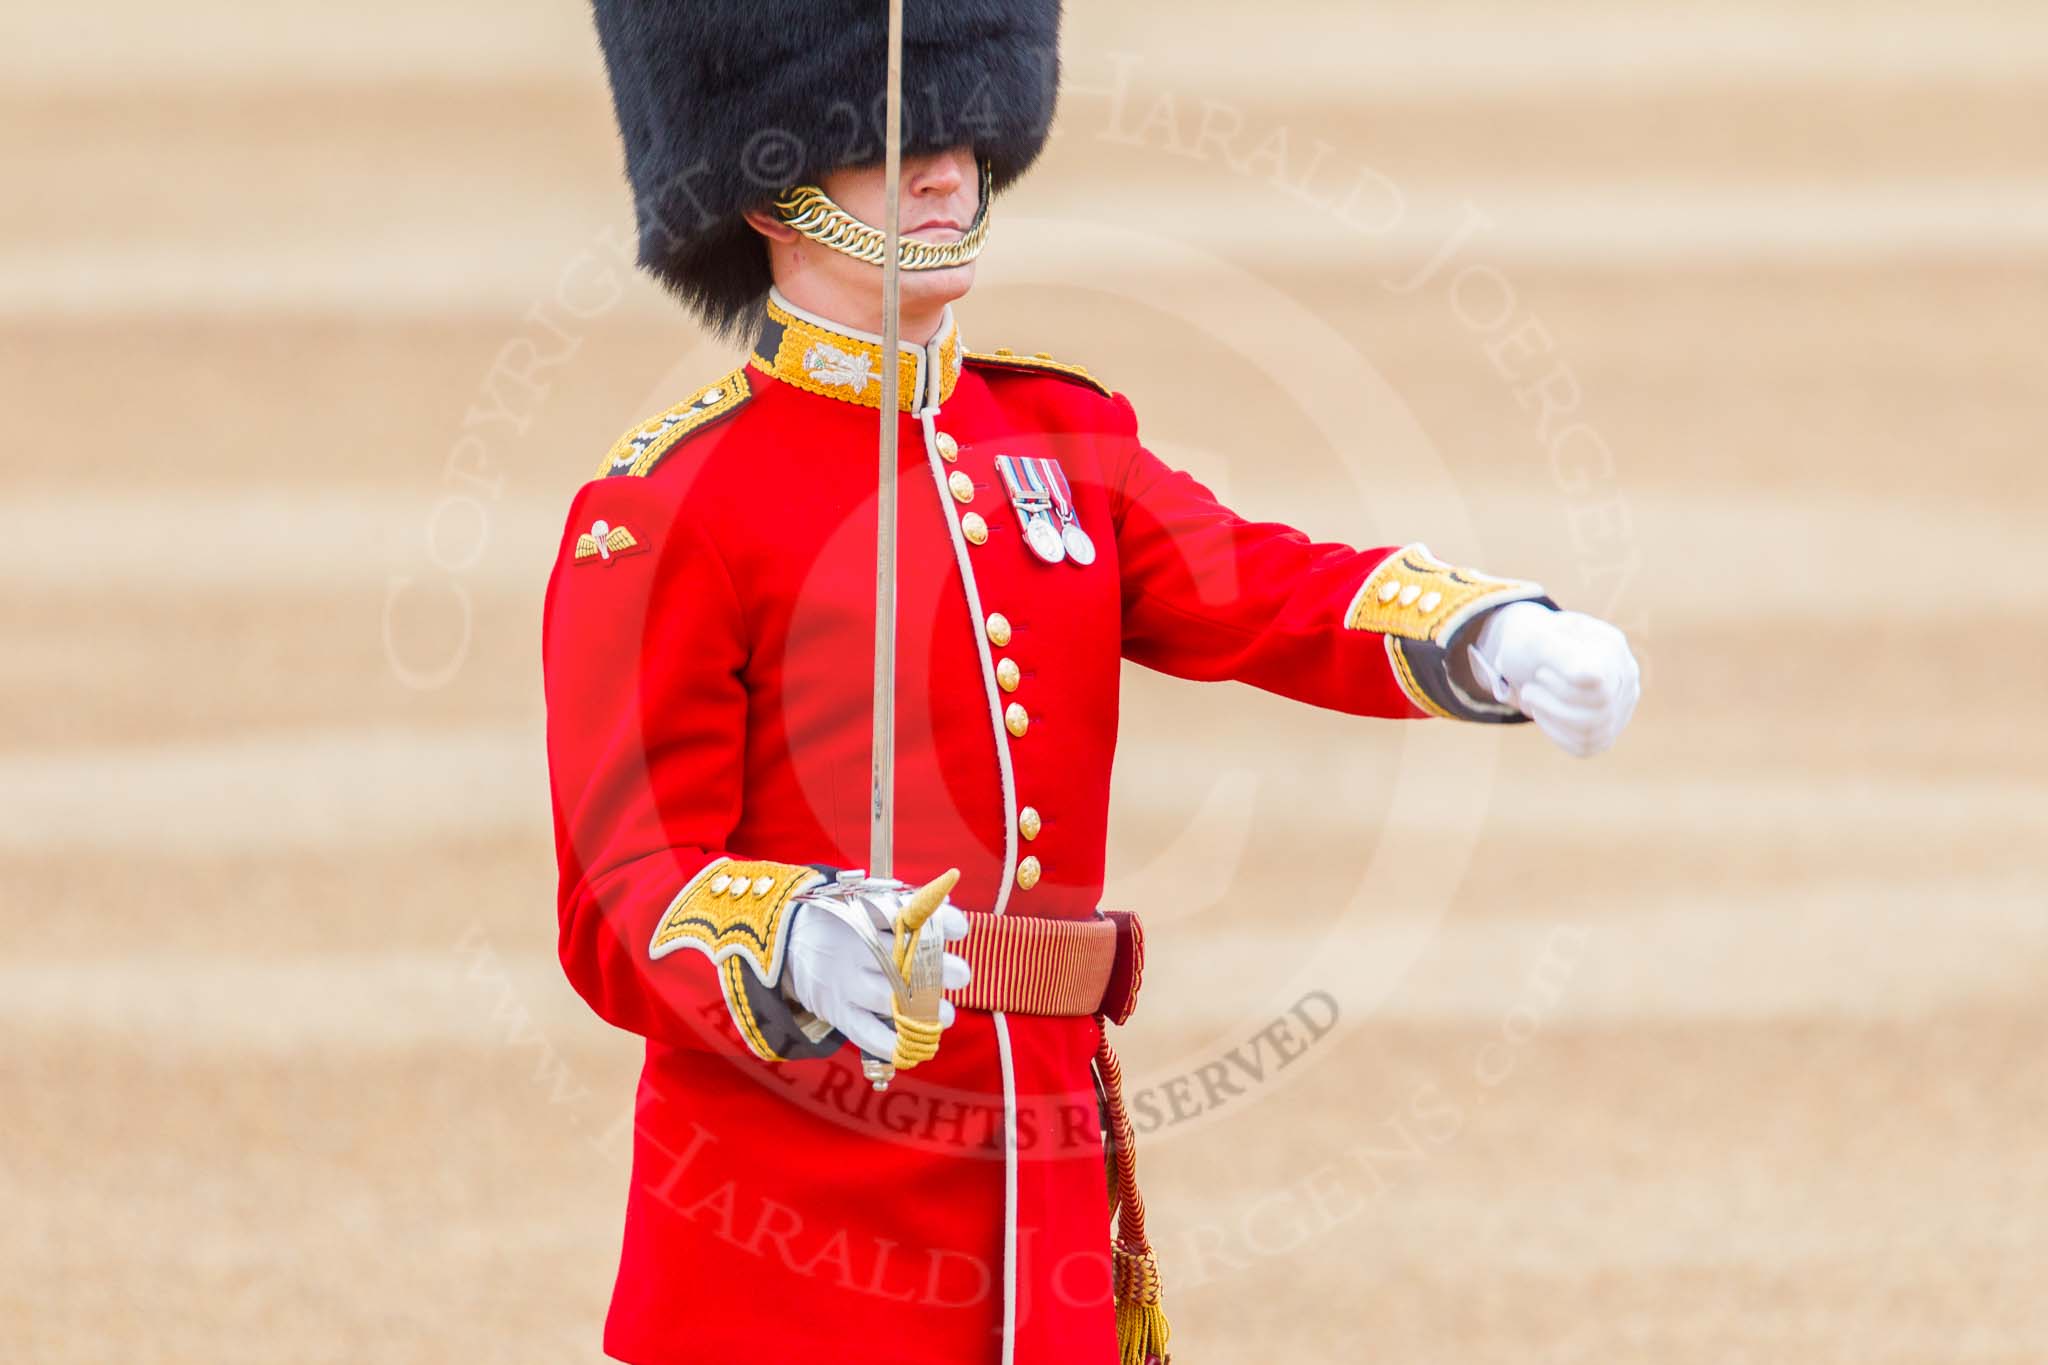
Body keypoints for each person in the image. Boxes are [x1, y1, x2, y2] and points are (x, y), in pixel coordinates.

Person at [547, 3, 1640, 1363]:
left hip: (1041, 1187)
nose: (946, 170)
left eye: (960, 132)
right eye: (889, 144)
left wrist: (1491, 635)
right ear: (769, 180)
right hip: (799, 1211)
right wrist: (794, 937)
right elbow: (619, 890)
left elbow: (1257, 581)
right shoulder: (672, 505)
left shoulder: (1059, 440)